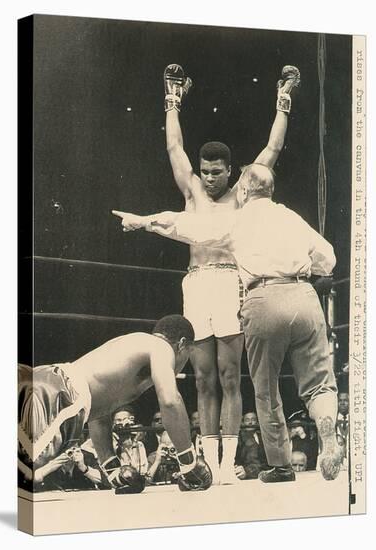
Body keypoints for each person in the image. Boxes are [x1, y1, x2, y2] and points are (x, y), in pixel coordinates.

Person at [112, 161, 342, 482]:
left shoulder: (237, 220)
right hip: (304, 295)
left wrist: (144, 222)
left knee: (265, 389)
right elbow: (328, 257)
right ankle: (329, 431)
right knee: (319, 383)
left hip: (264, 297)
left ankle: (281, 465)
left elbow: (183, 225)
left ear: (245, 189)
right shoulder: (292, 217)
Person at [159, 63, 300, 484]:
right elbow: (173, 147)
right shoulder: (192, 191)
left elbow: (272, 151)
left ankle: (226, 465)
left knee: (228, 376)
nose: (209, 178)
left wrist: (284, 99)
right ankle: (207, 465)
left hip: (229, 282)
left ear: (230, 170)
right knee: (202, 379)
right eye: (204, 171)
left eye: (216, 172)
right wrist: (171, 100)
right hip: (196, 285)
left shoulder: (243, 192)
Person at [18, 314, 212, 493]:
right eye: (189, 355)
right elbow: (171, 401)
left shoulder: (133, 348)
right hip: (61, 395)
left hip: (51, 383)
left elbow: (98, 414)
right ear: (182, 344)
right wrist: (189, 463)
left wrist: (111, 468)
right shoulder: (161, 348)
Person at [112, 407, 148, 475]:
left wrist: (135, 442)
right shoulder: (109, 444)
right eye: (119, 420)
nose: (123, 424)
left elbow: (140, 471)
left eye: (125, 420)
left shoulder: (139, 444)